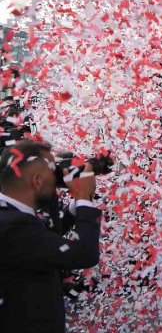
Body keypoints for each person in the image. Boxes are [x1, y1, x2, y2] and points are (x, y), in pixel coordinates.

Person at [0, 140, 102, 333]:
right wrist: (84, 197)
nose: (58, 177)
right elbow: (84, 253)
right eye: (53, 171)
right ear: (37, 181)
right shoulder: (13, 226)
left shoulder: (11, 214)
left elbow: (45, 237)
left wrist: (74, 205)